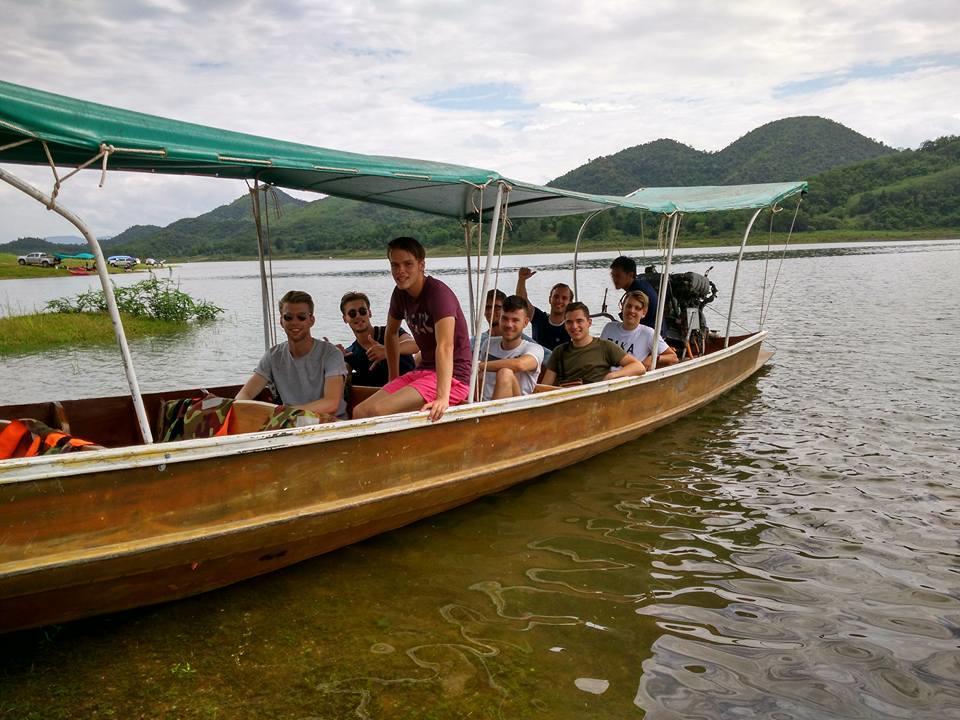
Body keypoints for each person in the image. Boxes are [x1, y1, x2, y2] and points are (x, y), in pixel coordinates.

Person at [353, 237, 471, 422]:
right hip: (423, 370)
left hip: (453, 377)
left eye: (408, 264)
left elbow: (445, 346)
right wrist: (393, 377)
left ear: (421, 265)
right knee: (360, 412)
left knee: (378, 411)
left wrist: (442, 397)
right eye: (395, 265)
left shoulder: (438, 294)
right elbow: (391, 333)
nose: (400, 271)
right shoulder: (400, 294)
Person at [236, 290, 348, 418]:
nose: (294, 322)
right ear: (281, 321)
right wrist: (250, 411)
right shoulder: (273, 356)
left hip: (329, 424)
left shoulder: (331, 354)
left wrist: (283, 413)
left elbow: (331, 404)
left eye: (301, 317)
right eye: (288, 317)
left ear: (311, 320)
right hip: (288, 424)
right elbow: (244, 395)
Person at [541, 302, 646, 386]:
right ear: (565, 326)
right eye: (569, 322)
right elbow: (545, 386)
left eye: (579, 321)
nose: (574, 326)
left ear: (589, 323)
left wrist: (612, 376)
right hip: (567, 400)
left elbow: (638, 367)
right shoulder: (559, 351)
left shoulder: (605, 346)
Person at [338, 291, 418, 387]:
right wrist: (334, 358)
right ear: (345, 319)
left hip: (409, 387)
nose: (358, 316)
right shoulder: (351, 352)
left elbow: (416, 345)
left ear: (369, 313)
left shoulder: (390, 332)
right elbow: (342, 375)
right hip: (380, 394)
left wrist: (387, 351)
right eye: (352, 313)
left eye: (362, 311)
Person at [477, 295, 544, 401]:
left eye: (515, 320)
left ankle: (494, 414)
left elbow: (520, 365)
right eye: (505, 319)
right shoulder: (488, 344)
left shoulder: (534, 349)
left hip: (516, 410)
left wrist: (479, 365)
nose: (509, 324)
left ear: (525, 323)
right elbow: (480, 378)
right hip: (484, 406)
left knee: (505, 373)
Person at [601, 291, 678, 370]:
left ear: (643, 313)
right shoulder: (609, 328)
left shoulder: (648, 333)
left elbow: (673, 358)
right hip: (601, 376)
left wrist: (654, 357)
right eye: (628, 306)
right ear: (622, 307)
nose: (632, 311)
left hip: (627, 379)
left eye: (637, 308)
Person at [515, 267, 573, 349]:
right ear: (550, 299)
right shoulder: (539, 318)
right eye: (556, 297)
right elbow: (522, 302)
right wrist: (521, 280)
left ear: (570, 303)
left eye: (564, 298)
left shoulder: (572, 326)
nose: (559, 300)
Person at [609, 256, 659, 330]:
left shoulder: (638, 292)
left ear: (630, 275)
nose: (614, 279)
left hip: (651, 332)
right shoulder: (640, 283)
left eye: (618, 276)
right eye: (613, 276)